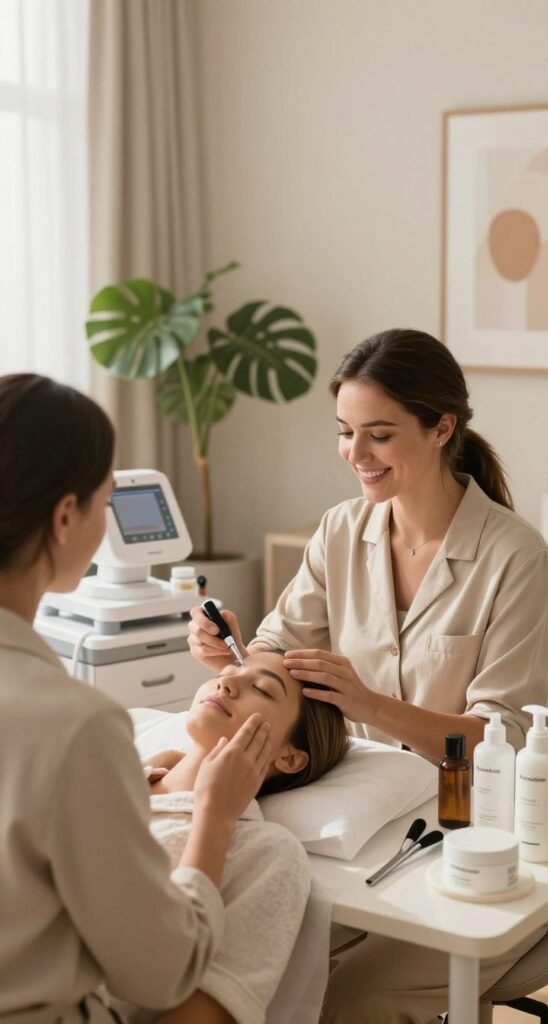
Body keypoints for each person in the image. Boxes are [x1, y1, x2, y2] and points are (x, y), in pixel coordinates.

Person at [188, 328, 548, 1024]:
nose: (355, 455)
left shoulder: (514, 556)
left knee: (346, 998)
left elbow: (497, 738)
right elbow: (277, 647)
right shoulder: (338, 532)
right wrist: (228, 651)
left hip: (466, 841)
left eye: (378, 435)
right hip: (357, 831)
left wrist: (370, 703)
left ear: (441, 427)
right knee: (254, 968)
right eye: (344, 432)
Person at [0, 374, 274, 1024]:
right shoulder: (75, 725)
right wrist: (213, 817)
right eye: (105, 501)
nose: (234, 682)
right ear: (67, 516)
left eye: (266, 686)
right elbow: (160, 972)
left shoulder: (79, 735)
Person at [119, 650, 349, 1024]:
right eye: (229, 670)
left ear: (290, 757)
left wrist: (215, 816)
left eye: (261, 688)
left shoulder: (266, 854)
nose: (226, 681)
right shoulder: (112, 776)